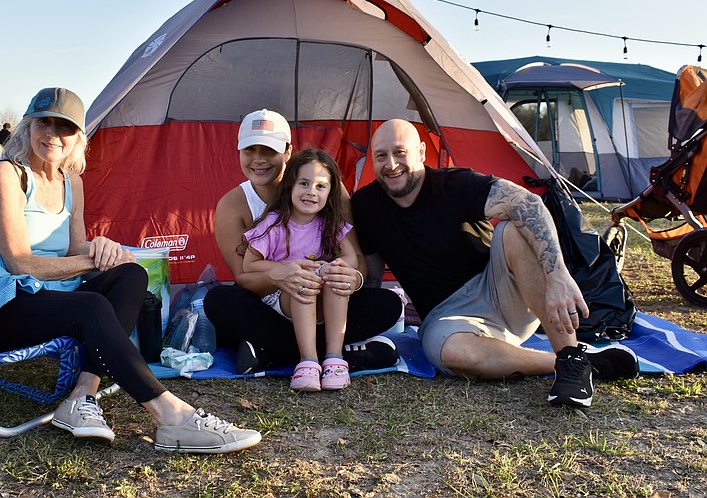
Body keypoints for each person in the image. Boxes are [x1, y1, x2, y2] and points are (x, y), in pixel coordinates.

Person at [0, 87, 261, 453]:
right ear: (27, 127)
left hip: (41, 294)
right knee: (91, 306)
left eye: (64, 127)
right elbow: (19, 262)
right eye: (44, 122)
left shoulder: (71, 183)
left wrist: (105, 248)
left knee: (131, 274)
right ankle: (172, 416)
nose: (52, 134)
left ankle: (82, 395)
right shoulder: (5, 175)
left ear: (78, 138)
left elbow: (74, 250)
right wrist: (92, 260)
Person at [351, 119, 639, 407]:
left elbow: (528, 202)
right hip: (448, 318)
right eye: (381, 156)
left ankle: (570, 355)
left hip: (502, 290)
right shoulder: (366, 206)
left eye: (400, 152)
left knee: (513, 229)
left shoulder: (453, 184)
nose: (391, 164)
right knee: (452, 353)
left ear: (421, 152)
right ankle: (576, 362)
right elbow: (372, 277)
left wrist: (557, 276)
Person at [204, 109, 403, 376]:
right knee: (219, 301)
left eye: (269, 150)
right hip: (273, 306)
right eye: (250, 150)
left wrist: (351, 278)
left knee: (387, 304)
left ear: (288, 152)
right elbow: (244, 277)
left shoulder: (326, 188)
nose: (258, 159)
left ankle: (271, 352)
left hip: (327, 301)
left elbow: (357, 262)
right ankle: (341, 355)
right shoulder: (232, 204)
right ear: (239, 152)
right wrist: (279, 275)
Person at [243, 149, 357, 391]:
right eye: (304, 183)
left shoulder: (330, 225)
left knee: (333, 277)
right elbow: (249, 265)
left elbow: (350, 258)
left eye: (320, 186)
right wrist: (287, 268)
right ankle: (308, 362)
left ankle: (335, 359)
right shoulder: (274, 224)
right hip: (283, 297)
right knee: (302, 279)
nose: (311, 192)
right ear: (290, 185)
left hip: (321, 300)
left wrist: (335, 267)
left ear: (330, 192)